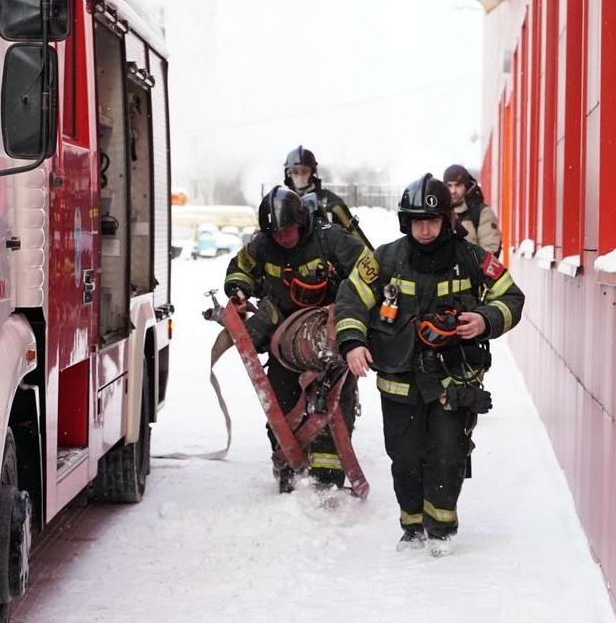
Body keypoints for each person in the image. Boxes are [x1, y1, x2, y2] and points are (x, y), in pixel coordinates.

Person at [334, 174, 525, 556]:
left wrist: (485, 319)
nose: (425, 229)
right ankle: (411, 526)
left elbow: (511, 297)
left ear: (446, 222)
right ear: (406, 221)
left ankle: (440, 530)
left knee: (446, 454)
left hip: (453, 379)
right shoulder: (384, 259)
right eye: (417, 220)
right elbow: (351, 298)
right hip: (399, 380)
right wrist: (352, 342)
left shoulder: (471, 258)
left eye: (432, 221)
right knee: (404, 458)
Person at [224, 185, 374, 493]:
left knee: (333, 409)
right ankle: (289, 467)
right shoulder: (263, 246)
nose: (283, 238)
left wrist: (351, 315)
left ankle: (327, 483)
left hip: (331, 336)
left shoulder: (330, 238)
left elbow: (369, 271)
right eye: (276, 233)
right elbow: (240, 269)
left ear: (302, 222)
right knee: (280, 405)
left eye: (288, 231)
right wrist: (238, 290)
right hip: (284, 343)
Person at [283, 145, 373, 250]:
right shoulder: (281, 203)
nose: (300, 176)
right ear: (288, 174)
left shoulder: (332, 202)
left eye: (304, 171)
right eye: (295, 172)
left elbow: (358, 240)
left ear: (312, 172)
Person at [442, 164, 502, 253]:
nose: (453, 191)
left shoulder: (482, 213)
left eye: (458, 185)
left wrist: (468, 264)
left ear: (466, 186)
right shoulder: (439, 212)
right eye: (449, 186)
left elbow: (490, 251)